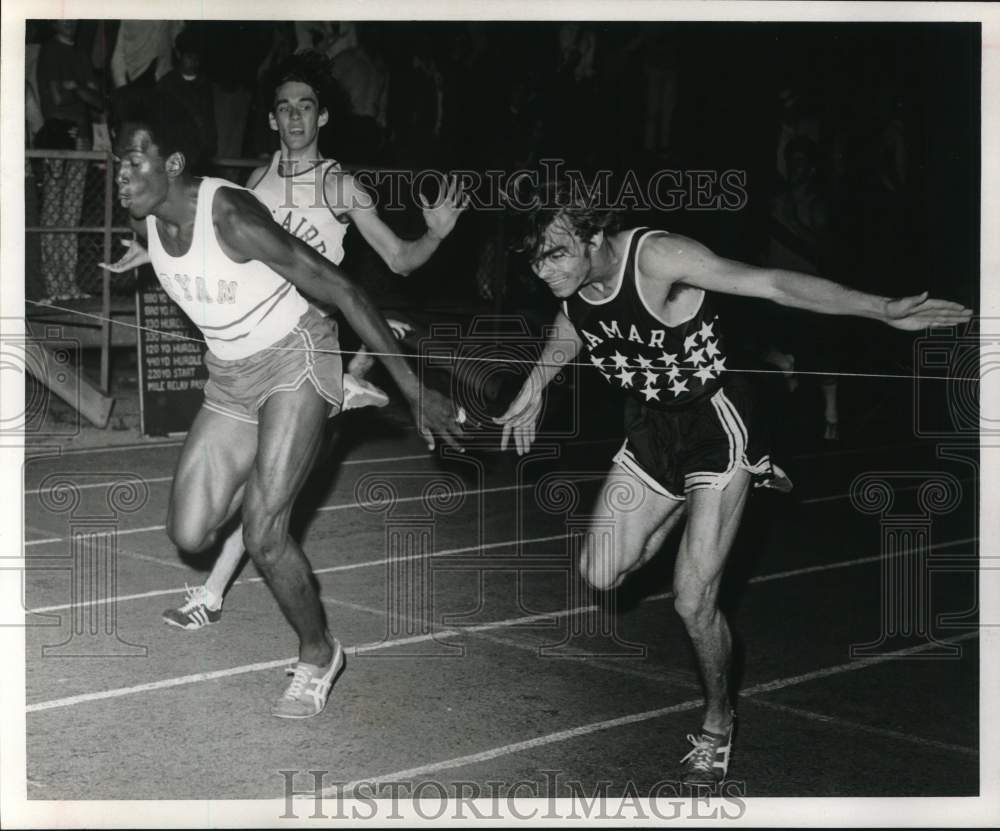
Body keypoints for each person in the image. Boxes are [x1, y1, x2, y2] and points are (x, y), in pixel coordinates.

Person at [494, 179, 971, 784]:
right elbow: (573, 324)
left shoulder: (660, 257)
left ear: (594, 237)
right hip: (654, 429)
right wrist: (535, 386)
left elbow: (771, 284)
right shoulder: (572, 280)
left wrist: (879, 307)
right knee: (601, 572)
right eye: (534, 259)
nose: (544, 270)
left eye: (555, 254)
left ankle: (718, 722)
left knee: (693, 600)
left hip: (718, 421)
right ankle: (720, 489)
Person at [108, 91, 465, 718]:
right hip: (231, 375)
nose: (121, 175)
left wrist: (415, 392)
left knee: (265, 533)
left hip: (296, 354)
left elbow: (344, 288)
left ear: (173, 163)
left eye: (135, 161)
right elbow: (191, 269)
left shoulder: (233, 215)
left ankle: (318, 653)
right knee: (189, 532)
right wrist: (152, 259)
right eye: (116, 162)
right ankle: (299, 437)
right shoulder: (146, 220)